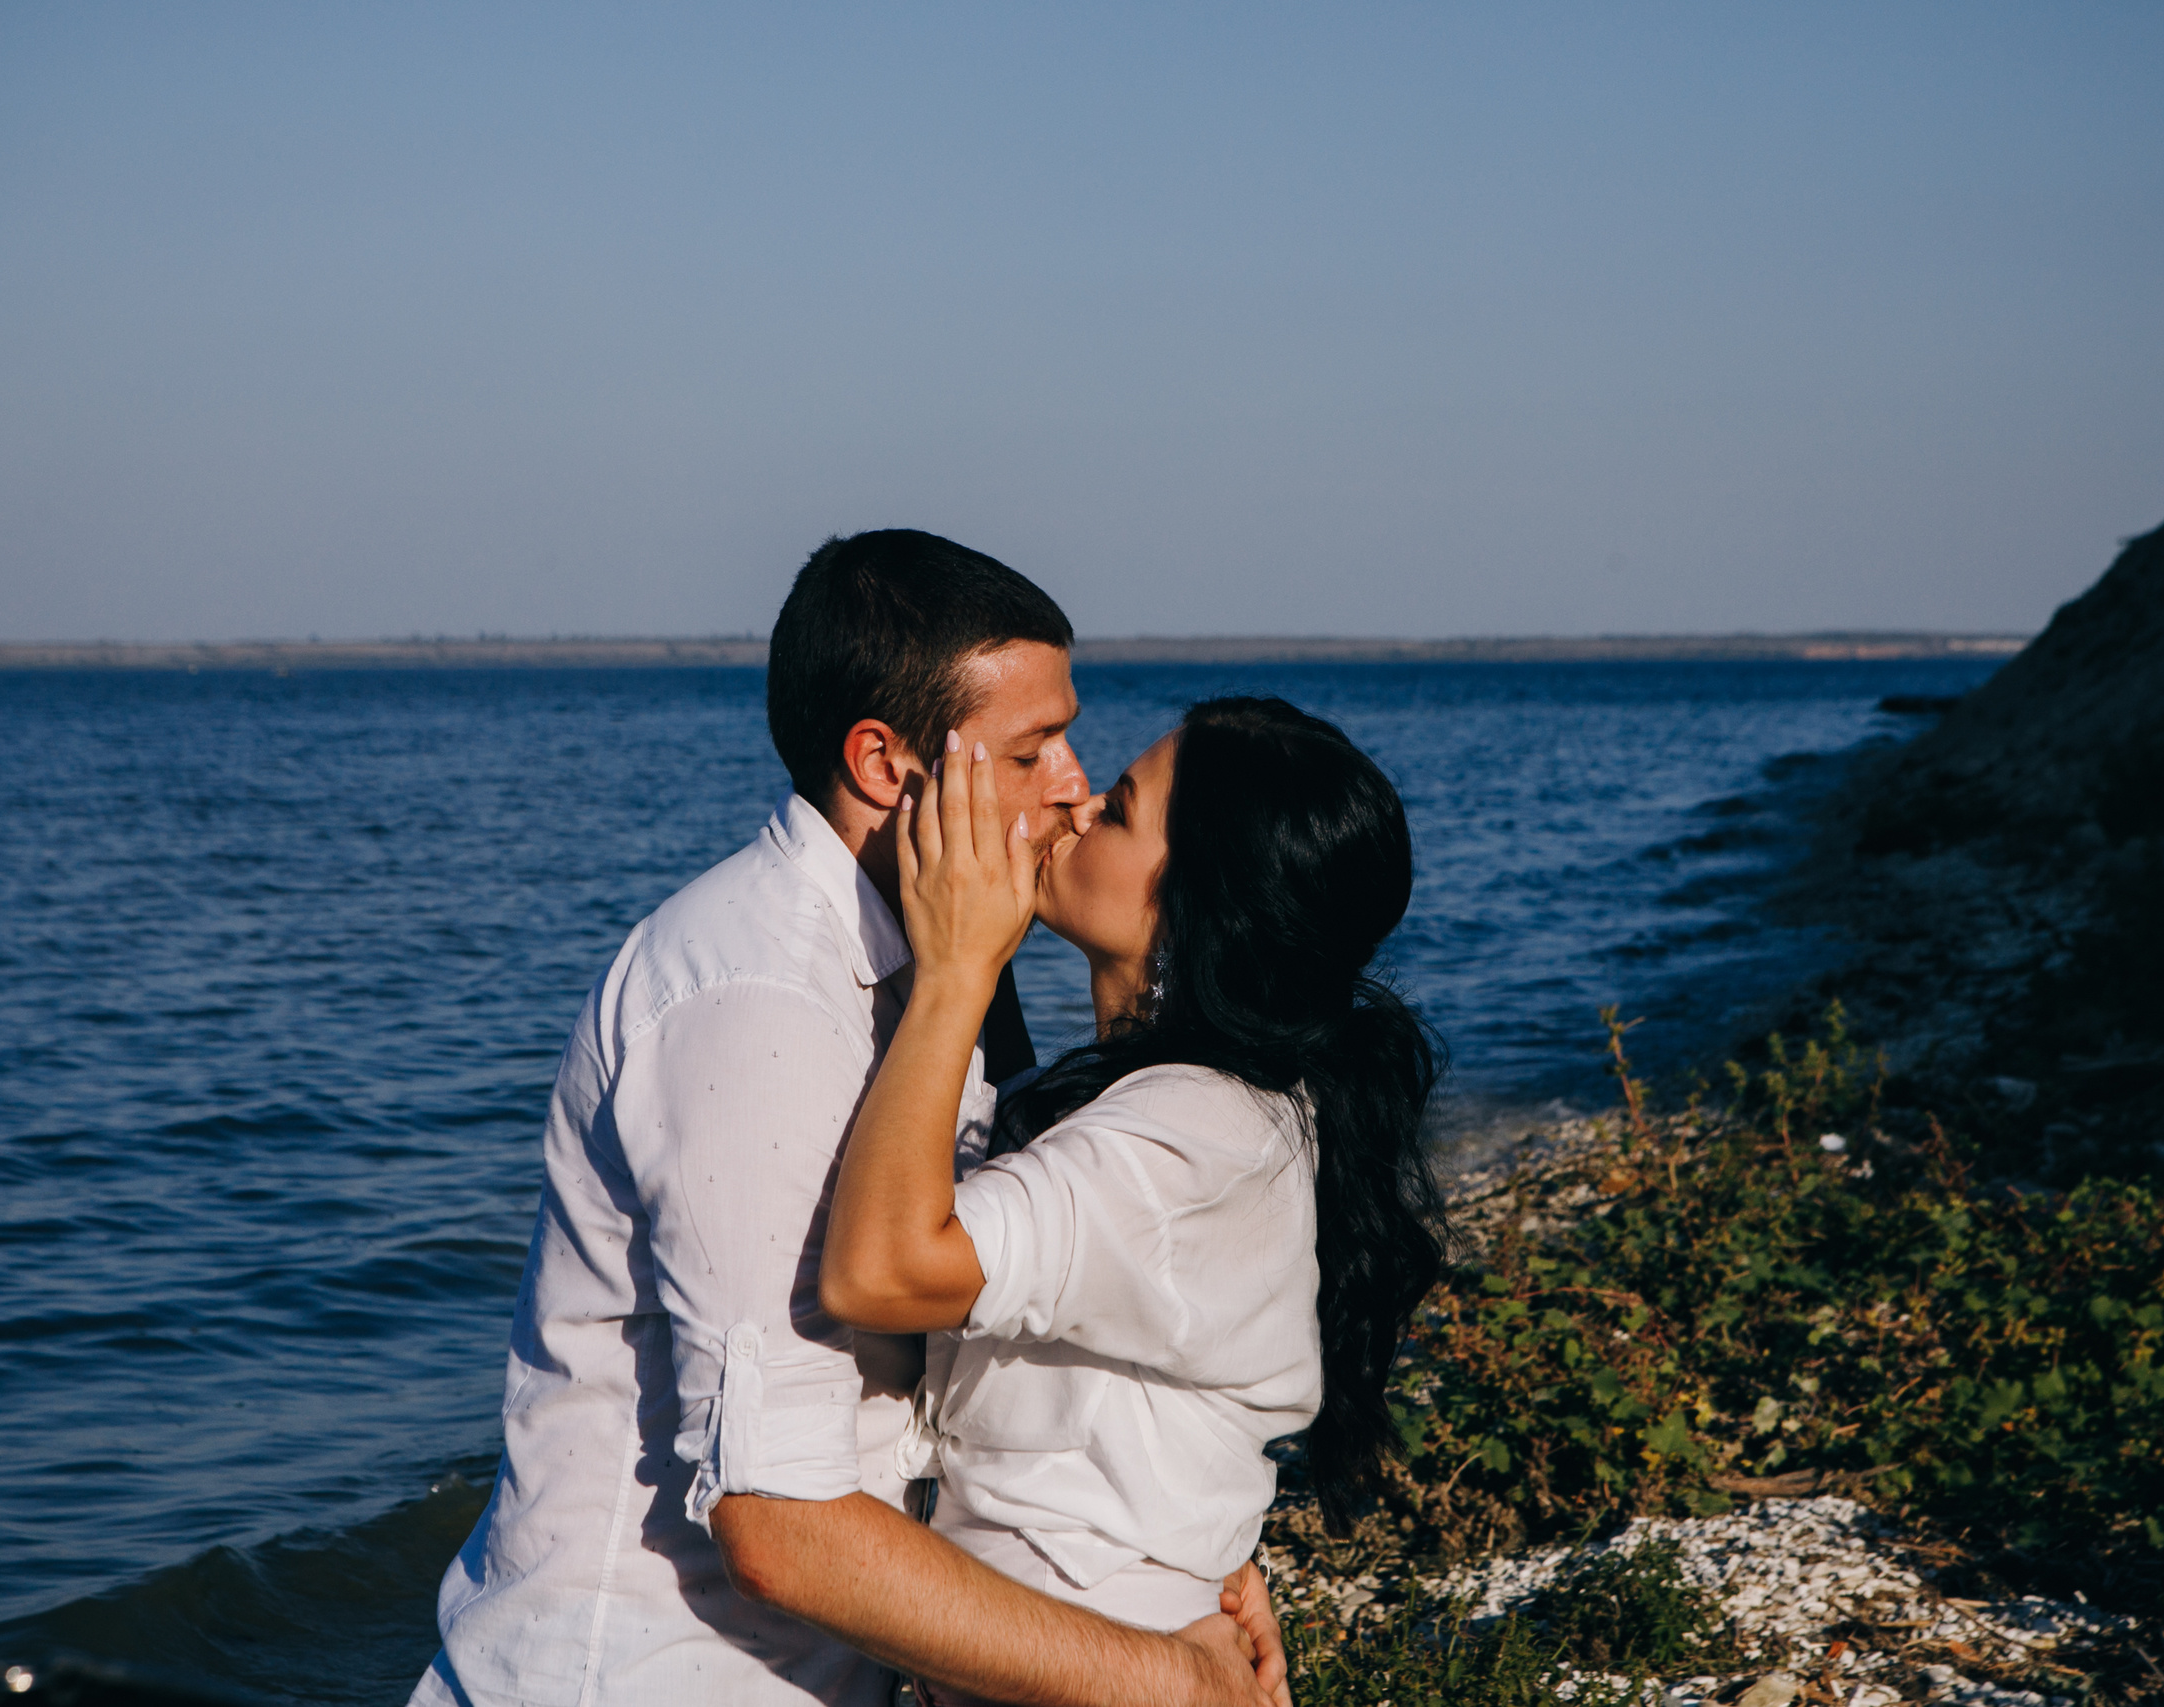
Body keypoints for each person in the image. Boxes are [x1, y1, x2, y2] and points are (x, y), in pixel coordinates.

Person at [410, 531, 1285, 1707]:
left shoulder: (949, 953)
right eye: (1032, 749)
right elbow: (780, 1526)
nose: (1074, 783)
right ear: (884, 762)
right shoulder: (756, 1003)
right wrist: (1170, 1681)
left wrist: (1189, 1548)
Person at [819, 697, 1448, 1670]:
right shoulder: (1224, 1106)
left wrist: (954, 972)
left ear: (1200, 899)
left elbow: (884, 1272)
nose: (1072, 803)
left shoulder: (1189, 1134)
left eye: (1116, 809)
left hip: (1105, 1669)